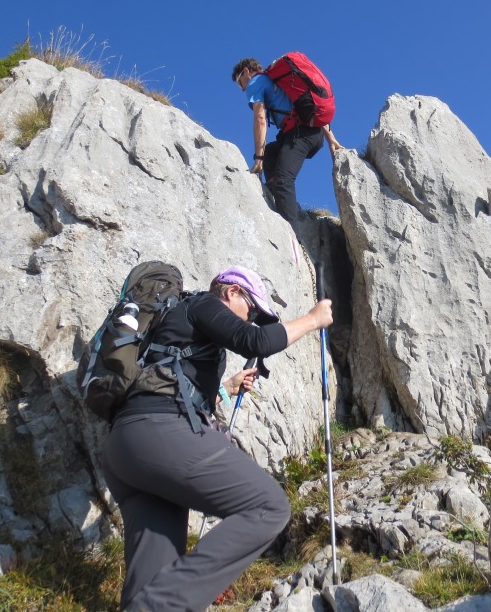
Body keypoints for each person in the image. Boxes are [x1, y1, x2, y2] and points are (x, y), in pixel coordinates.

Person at [101, 265, 334, 612]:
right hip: (160, 435)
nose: (251, 319)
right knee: (268, 506)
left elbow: (167, 381)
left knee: (153, 573)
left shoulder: (176, 322)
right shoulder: (202, 305)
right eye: (251, 309)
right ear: (231, 292)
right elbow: (254, 341)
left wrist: (226, 387)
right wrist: (313, 320)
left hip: (125, 448)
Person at [232, 58, 343, 225]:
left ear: (246, 71)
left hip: (300, 134)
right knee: (271, 153)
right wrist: (331, 139)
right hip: (310, 133)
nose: (241, 89)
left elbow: (260, 118)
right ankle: (275, 195)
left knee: (284, 180)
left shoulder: (255, 82)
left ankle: (293, 239)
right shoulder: (275, 80)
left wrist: (258, 159)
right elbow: (308, 106)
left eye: (239, 82)